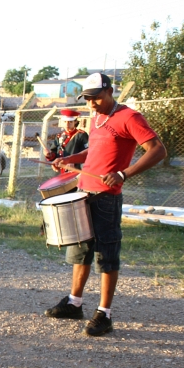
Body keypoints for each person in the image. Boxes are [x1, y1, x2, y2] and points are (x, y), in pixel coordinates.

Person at [44, 73, 166, 336]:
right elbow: (96, 149)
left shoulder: (130, 117)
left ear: (110, 91)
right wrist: (70, 159)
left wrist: (124, 173)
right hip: (84, 191)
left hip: (107, 197)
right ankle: (74, 303)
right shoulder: (97, 117)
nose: (92, 104)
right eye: (88, 100)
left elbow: (158, 149)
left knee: (106, 255)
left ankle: (104, 314)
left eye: (96, 98)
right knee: (81, 250)